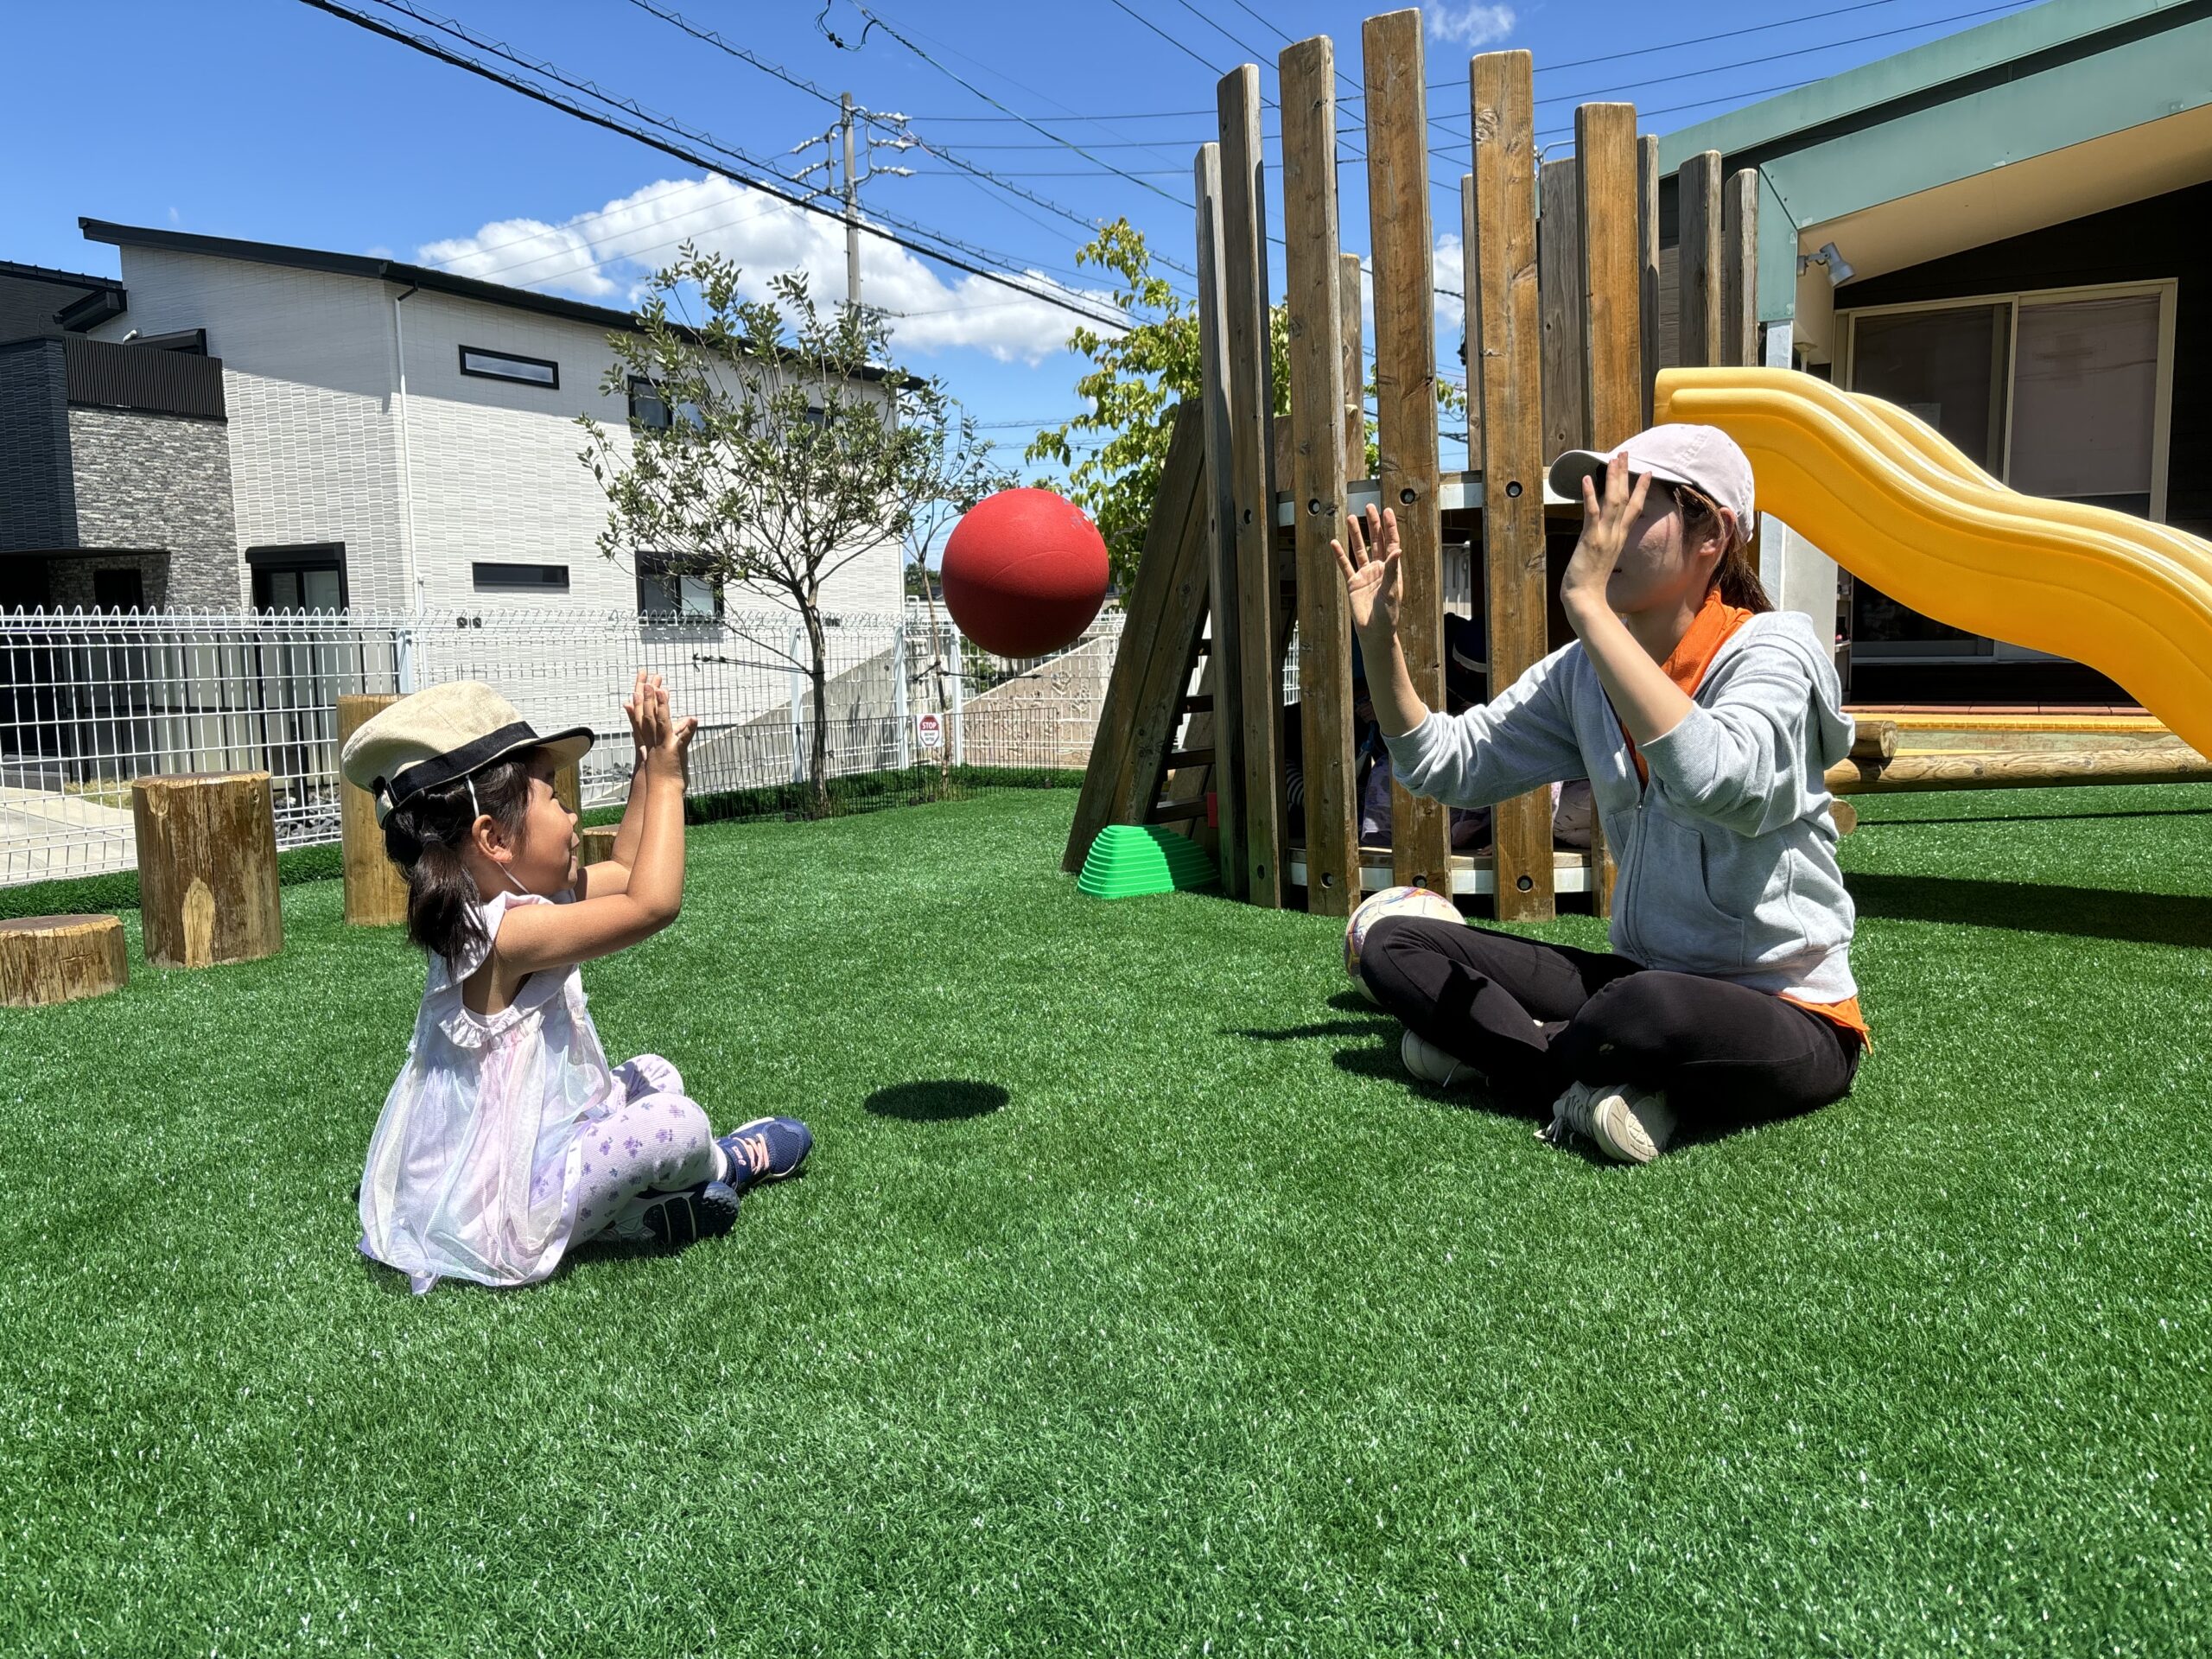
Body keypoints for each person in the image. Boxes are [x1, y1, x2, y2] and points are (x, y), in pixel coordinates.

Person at [1338, 424, 1868, 1163]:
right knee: (1395, 943)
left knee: (1644, 1011)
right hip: (1641, 978)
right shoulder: (1582, 673)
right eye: (1596, 507)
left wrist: (1586, 605)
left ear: (1708, 532)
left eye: (1626, 504)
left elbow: (1724, 780)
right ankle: (1583, 1076)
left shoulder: (1777, 652)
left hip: (1788, 1011)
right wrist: (1379, 644)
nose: (1599, 528)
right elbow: (1445, 765)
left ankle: (1515, 1056)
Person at [340, 674, 810, 1292]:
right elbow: (652, 903)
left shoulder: (507, 906)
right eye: (555, 798)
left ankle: (639, 1215)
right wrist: (670, 782)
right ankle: (726, 1162)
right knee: (676, 1123)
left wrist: (646, 765)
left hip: (539, 1136)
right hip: (506, 1208)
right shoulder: (505, 938)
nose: (571, 813)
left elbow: (624, 867)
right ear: (495, 838)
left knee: (655, 1073)